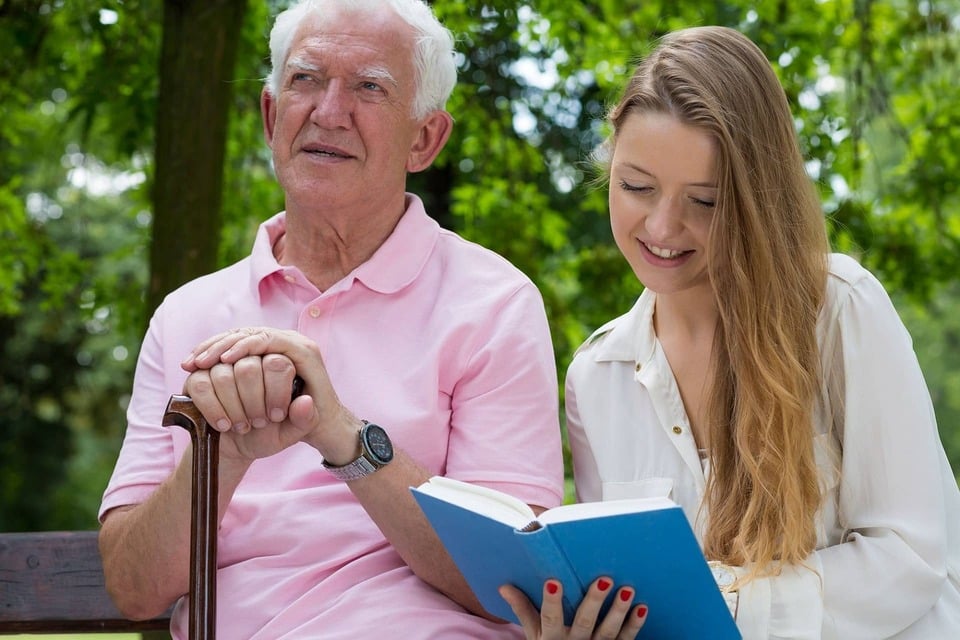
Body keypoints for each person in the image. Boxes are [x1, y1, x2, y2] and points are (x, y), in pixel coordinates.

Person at [97, 0, 564, 637]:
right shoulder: (187, 317)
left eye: (369, 87)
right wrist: (222, 454)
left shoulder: (495, 303)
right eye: (305, 80)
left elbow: (515, 584)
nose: (328, 111)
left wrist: (343, 436)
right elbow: (132, 587)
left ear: (425, 138)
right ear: (270, 114)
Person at [500, 25, 960, 639]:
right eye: (635, 186)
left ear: (757, 199)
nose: (662, 226)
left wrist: (720, 603)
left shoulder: (837, 310)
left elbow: (912, 559)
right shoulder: (597, 374)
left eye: (706, 202)